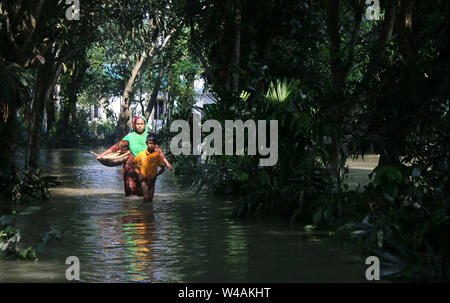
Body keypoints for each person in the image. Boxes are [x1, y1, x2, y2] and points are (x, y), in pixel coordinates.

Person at [96, 115, 172, 196]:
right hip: (130, 167)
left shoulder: (149, 138)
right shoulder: (129, 137)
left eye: (141, 124)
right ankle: (129, 207)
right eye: (137, 124)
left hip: (145, 168)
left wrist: (167, 163)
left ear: (145, 125)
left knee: (143, 194)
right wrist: (102, 155)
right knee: (130, 193)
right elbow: (116, 147)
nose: (139, 126)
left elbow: (158, 151)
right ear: (134, 125)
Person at [133, 135, 166, 202]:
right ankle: (142, 211)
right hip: (144, 179)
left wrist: (156, 175)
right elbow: (133, 164)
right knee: (145, 198)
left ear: (156, 144)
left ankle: (148, 212)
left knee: (150, 200)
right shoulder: (141, 154)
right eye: (150, 143)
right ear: (147, 143)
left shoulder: (157, 155)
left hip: (153, 180)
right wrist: (139, 173)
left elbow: (163, 168)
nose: (151, 145)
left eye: (153, 143)